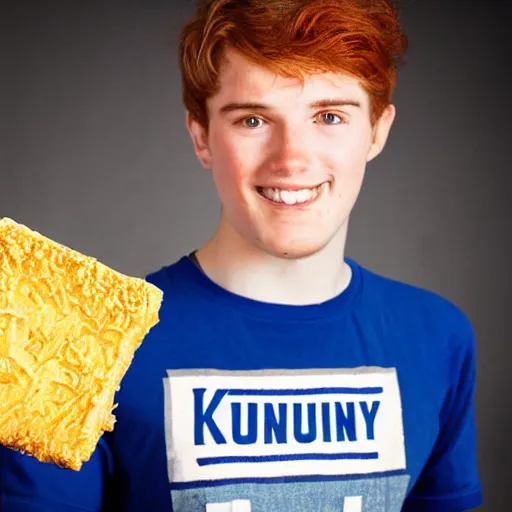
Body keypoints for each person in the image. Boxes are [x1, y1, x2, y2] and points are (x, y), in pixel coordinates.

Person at [0, 0, 483, 510]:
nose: (292, 158)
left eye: (330, 115)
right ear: (201, 136)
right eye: (253, 119)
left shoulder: (438, 338)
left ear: (377, 131)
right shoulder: (78, 349)